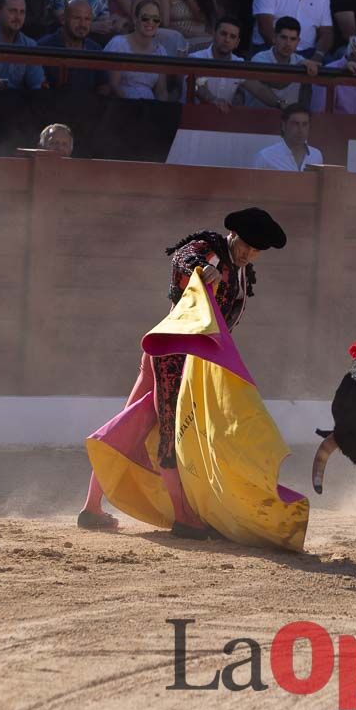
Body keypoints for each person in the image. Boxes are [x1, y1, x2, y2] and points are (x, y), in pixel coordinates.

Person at [77, 207, 287, 537]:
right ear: (233, 235)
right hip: (174, 352)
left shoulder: (242, 271)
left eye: (256, 249)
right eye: (245, 244)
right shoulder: (212, 250)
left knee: (131, 423)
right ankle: (183, 515)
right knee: (170, 428)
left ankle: (91, 508)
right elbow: (182, 258)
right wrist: (202, 269)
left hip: (174, 351)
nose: (249, 253)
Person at [245, 15, 320, 108]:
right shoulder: (259, 59)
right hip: (257, 118)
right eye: (283, 37)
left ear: (298, 41)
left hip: (288, 120)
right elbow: (278, 83)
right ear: (274, 38)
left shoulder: (300, 60)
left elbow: (306, 96)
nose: (288, 44)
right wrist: (299, 68)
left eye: (293, 39)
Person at [39, 0, 109, 94]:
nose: (82, 24)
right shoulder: (44, 47)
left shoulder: (95, 49)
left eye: (87, 19)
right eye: (77, 18)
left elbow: (103, 85)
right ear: (63, 19)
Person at [104, 0, 169, 99]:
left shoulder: (160, 51)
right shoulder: (119, 44)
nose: (150, 23)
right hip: (120, 105)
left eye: (155, 19)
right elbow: (113, 86)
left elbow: (161, 91)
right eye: (145, 18)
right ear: (135, 19)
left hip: (149, 108)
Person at [0, 0, 44, 89]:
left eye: (22, 12)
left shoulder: (30, 45)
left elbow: (37, 86)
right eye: (13, 11)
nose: (18, 17)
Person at [253, 103, 323, 170]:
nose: (300, 130)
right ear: (284, 126)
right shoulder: (266, 157)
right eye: (295, 124)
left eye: (304, 124)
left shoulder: (316, 155)